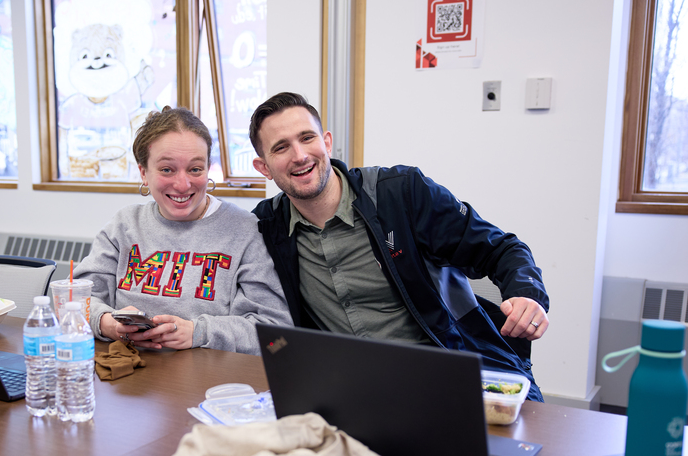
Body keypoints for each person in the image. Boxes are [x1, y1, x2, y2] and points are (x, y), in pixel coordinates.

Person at [249, 92, 549, 401]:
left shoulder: (402, 194)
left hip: (452, 374)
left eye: (307, 138)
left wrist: (526, 294)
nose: (299, 155)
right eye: (281, 147)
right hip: (353, 392)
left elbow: (500, 249)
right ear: (264, 167)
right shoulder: (265, 228)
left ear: (326, 142)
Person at [73, 106, 291, 355]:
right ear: (144, 173)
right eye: (167, 169)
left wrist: (198, 333)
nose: (182, 184)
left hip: (205, 382)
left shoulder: (245, 231)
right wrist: (107, 323)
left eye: (195, 169)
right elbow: (74, 300)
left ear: (209, 169)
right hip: (128, 379)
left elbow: (275, 334)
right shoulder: (124, 226)